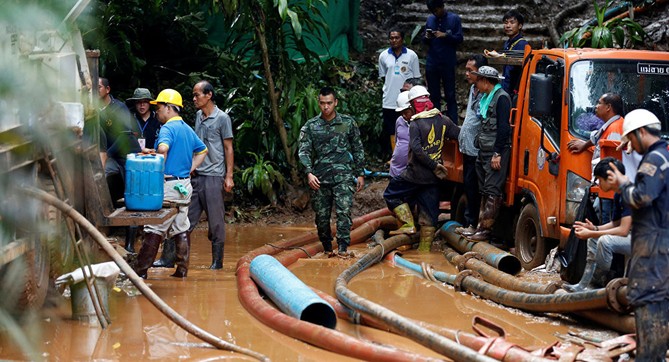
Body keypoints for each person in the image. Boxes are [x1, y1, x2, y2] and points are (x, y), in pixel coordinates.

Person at [607, 108, 669, 360]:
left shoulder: (655, 160)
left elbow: (641, 197)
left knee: (649, 297)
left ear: (642, 132)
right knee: (657, 299)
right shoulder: (663, 155)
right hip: (657, 241)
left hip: (654, 245)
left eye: (631, 138)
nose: (630, 145)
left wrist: (622, 182)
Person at [133, 89, 207, 279]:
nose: (157, 112)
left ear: (168, 108)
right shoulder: (186, 128)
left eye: (158, 108)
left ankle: (140, 271)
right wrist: (190, 168)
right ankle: (182, 270)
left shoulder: (167, 129)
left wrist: (159, 156)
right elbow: (202, 150)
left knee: (154, 227)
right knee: (181, 226)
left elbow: (164, 148)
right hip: (184, 186)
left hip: (168, 186)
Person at [383, 85, 460, 252]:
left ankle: (408, 224)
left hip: (415, 174)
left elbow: (417, 150)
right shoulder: (443, 120)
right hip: (433, 178)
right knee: (429, 216)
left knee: (391, 194)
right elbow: (459, 135)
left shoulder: (416, 124)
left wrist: (432, 165)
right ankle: (424, 254)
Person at [298, 87, 365, 256]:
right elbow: (304, 151)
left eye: (329, 103)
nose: (325, 107)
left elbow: (357, 148)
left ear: (336, 103)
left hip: (343, 176)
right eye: (322, 103)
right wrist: (309, 172)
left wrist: (360, 173)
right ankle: (327, 248)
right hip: (320, 178)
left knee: (344, 213)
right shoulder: (311, 126)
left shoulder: (347, 123)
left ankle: (342, 248)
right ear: (318, 103)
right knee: (322, 218)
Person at [564, 157, 631, 292]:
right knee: (594, 239)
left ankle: (598, 284)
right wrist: (594, 229)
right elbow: (617, 222)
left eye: (600, 180)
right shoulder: (618, 195)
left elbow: (623, 230)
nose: (598, 184)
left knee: (605, 241)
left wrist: (593, 232)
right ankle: (584, 285)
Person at [187, 80, 234, 270]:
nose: (194, 98)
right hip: (197, 174)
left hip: (214, 175)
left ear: (209, 95)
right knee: (186, 218)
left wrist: (229, 176)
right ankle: (173, 257)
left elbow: (228, 147)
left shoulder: (222, 118)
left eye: (197, 95)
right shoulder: (199, 115)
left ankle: (217, 262)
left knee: (215, 220)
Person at [461, 66, 511, 242]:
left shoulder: (502, 98)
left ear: (486, 81)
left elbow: (504, 128)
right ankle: (480, 226)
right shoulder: (484, 98)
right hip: (483, 148)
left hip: (495, 151)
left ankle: (486, 230)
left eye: (479, 81)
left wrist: (497, 153)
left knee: (492, 190)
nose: (477, 85)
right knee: (483, 189)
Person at [567, 93, 625, 224]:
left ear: (608, 107)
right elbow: (597, 139)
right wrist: (585, 145)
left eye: (599, 103)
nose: (596, 106)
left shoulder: (615, 128)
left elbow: (613, 159)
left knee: (606, 224)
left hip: (609, 192)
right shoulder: (610, 125)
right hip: (606, 189)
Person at [455, 54, 488, 235]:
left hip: (477, 150)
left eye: (470, 71)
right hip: (467, 147)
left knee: (475, 188)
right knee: (468, 186)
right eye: (466, 70)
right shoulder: (472, 90)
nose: (466, 74)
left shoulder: (486, 94)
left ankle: (473, 224)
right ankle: (470, 223)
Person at [98, 77, 141, 206]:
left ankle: (133, 223)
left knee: (132, 188)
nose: (95, 91)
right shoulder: (94, 110)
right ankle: (105, 210)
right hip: (110, 156)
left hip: (126, 155)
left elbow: (125, 136)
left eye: (98, 87)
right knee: (99, 176)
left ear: (107, 89)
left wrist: (107, 154)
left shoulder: (119, 108)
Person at [379, 29, 421, 158]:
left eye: (397, 37)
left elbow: (416, 78)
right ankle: (395, 157)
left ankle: (410, 157)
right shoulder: (383, 56)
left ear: (402, 39)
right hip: (389, 100)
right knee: (392, 130)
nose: (394, 40)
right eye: (391, 38)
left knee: (410, 128)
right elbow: (383, 76)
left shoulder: (411, 55)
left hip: (407, 101)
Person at [423, 0, 463, 124]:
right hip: (432, 62)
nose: (435, 13)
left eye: (437, 10)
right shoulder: (430, 20)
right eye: (433, 11)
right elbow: (424, 40)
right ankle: (435, 124)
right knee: (434, 95)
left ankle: (453, 125)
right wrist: (426, 37)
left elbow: (460, 38)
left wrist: (445, 35)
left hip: (448, 62)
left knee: (450, 95)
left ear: (442, 6)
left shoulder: (454, 19)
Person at [500, 9, 529, 96]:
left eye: (512, 23)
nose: (508, 26)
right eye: (506, 22)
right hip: (506, 86)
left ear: (520, 26)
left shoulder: (522, 44)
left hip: (515, 89)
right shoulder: (507, 43)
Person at [389, 91, 414, 178]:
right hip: (396, 168)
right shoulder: (399, 120)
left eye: (406, 112)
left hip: (411, 169)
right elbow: (397, 140)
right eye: (401, 113)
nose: (403, 115)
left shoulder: (420, 123)